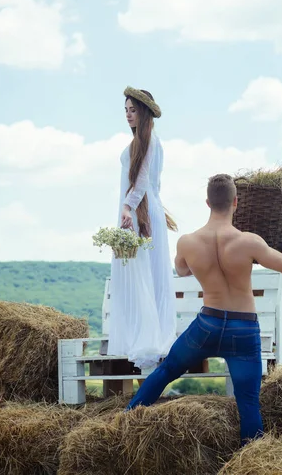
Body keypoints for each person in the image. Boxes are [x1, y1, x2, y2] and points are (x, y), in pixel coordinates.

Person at [125, 173, 282, 445]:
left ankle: (124, 421)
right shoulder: (250, 241)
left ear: (207, 202)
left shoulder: (188, 242)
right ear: (235, 202)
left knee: (167, 370)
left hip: (207, 326)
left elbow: (181, 269)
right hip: (243, 329)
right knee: (248, 400)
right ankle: (251, 458)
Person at [103, 87, 177, 370]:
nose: (128, 115)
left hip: (139, 211)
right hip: (135, 210)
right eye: (125, 110)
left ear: (144, 112)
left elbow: (144, 179)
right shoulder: (140, 142)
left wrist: (128, 206)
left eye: (133, 110)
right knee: (136, 271)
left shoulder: (150, 141)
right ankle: (138, 335)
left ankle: (149, 338)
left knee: (146, 272)